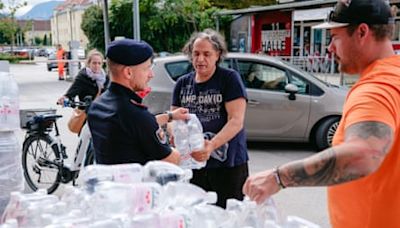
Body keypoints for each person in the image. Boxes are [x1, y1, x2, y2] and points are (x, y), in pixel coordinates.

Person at [243, 0, 400, 227]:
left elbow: (364, 154)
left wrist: (278, 177)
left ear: (362, 32)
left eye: (334, 37)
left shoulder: (376, 88)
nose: (329, 48)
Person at [171, 29, 249, 208]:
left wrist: (211, 145)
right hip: (193, 165)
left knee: (229, 214)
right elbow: (174, 119)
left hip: (228, 164)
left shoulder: (229, 79)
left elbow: (236, 120)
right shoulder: (182, 83)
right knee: (197, 214)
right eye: (196, 53)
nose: (200, 59)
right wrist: (176, 136)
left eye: (207, 54)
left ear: (217, 55)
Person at [87, 39, 189, 166]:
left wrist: (169, 116)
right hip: (136, 184)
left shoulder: (97, 106)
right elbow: (171, 160)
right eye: (146, 69)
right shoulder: (135, 114)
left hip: (109, 182)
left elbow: (131, 129)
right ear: (128, 72)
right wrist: (184, 146)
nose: (151, 75)